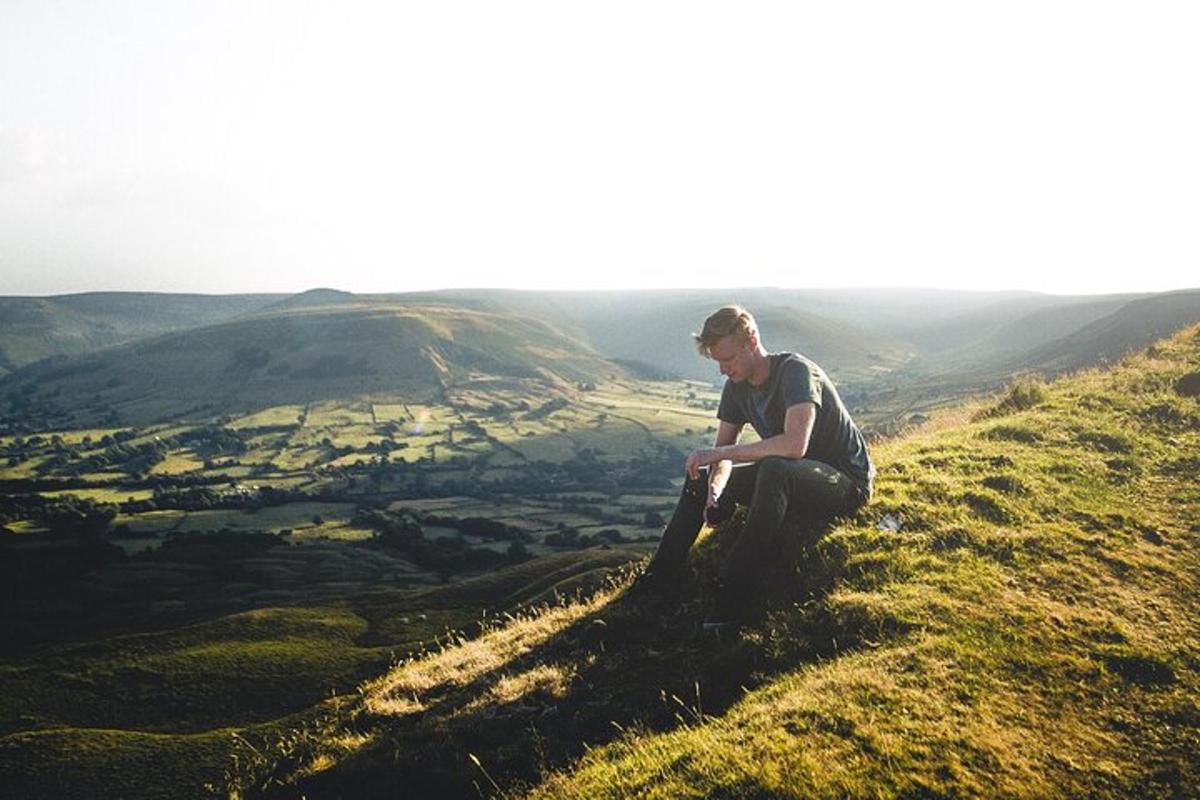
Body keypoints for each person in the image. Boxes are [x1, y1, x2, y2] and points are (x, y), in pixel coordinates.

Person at [642, 305, 875, 626]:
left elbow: (794, 446)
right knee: (701, 476)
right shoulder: (736, 387)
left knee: (775, 467)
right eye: (717, 362)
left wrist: (718, 455)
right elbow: (721, 453)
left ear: (751, 342)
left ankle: (734, 592)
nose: (723, 370)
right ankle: (658, 579)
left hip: (844, 484)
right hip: (792, 478)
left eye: (728, 359)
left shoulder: (796, 372)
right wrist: (715, 490)